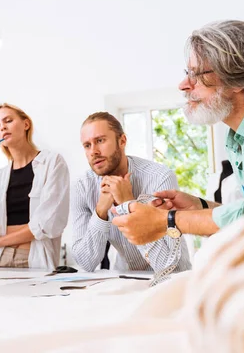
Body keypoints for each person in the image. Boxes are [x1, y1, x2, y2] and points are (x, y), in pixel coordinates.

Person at [112, 20, 244, 246]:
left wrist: (170, 221)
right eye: (187, 73)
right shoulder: (238, 137)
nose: (184, 85)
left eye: (196, 74)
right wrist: (201, 207)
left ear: (238, 78)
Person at [72, 112, 191, 272]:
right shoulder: (83, 187)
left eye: (100, 141)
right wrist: (100, 211)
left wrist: (128, 205)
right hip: (126, 279)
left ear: (122, 141)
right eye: (87, 145)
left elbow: (168, 267)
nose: (93, 151)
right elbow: (86, 263)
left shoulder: (159, 177)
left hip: (172, 281)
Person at [0, 103, 70, 269]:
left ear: (26, 124)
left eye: (8, 121)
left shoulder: (52, 162)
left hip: (32, 260)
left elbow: (46, 224)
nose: (3, 128)